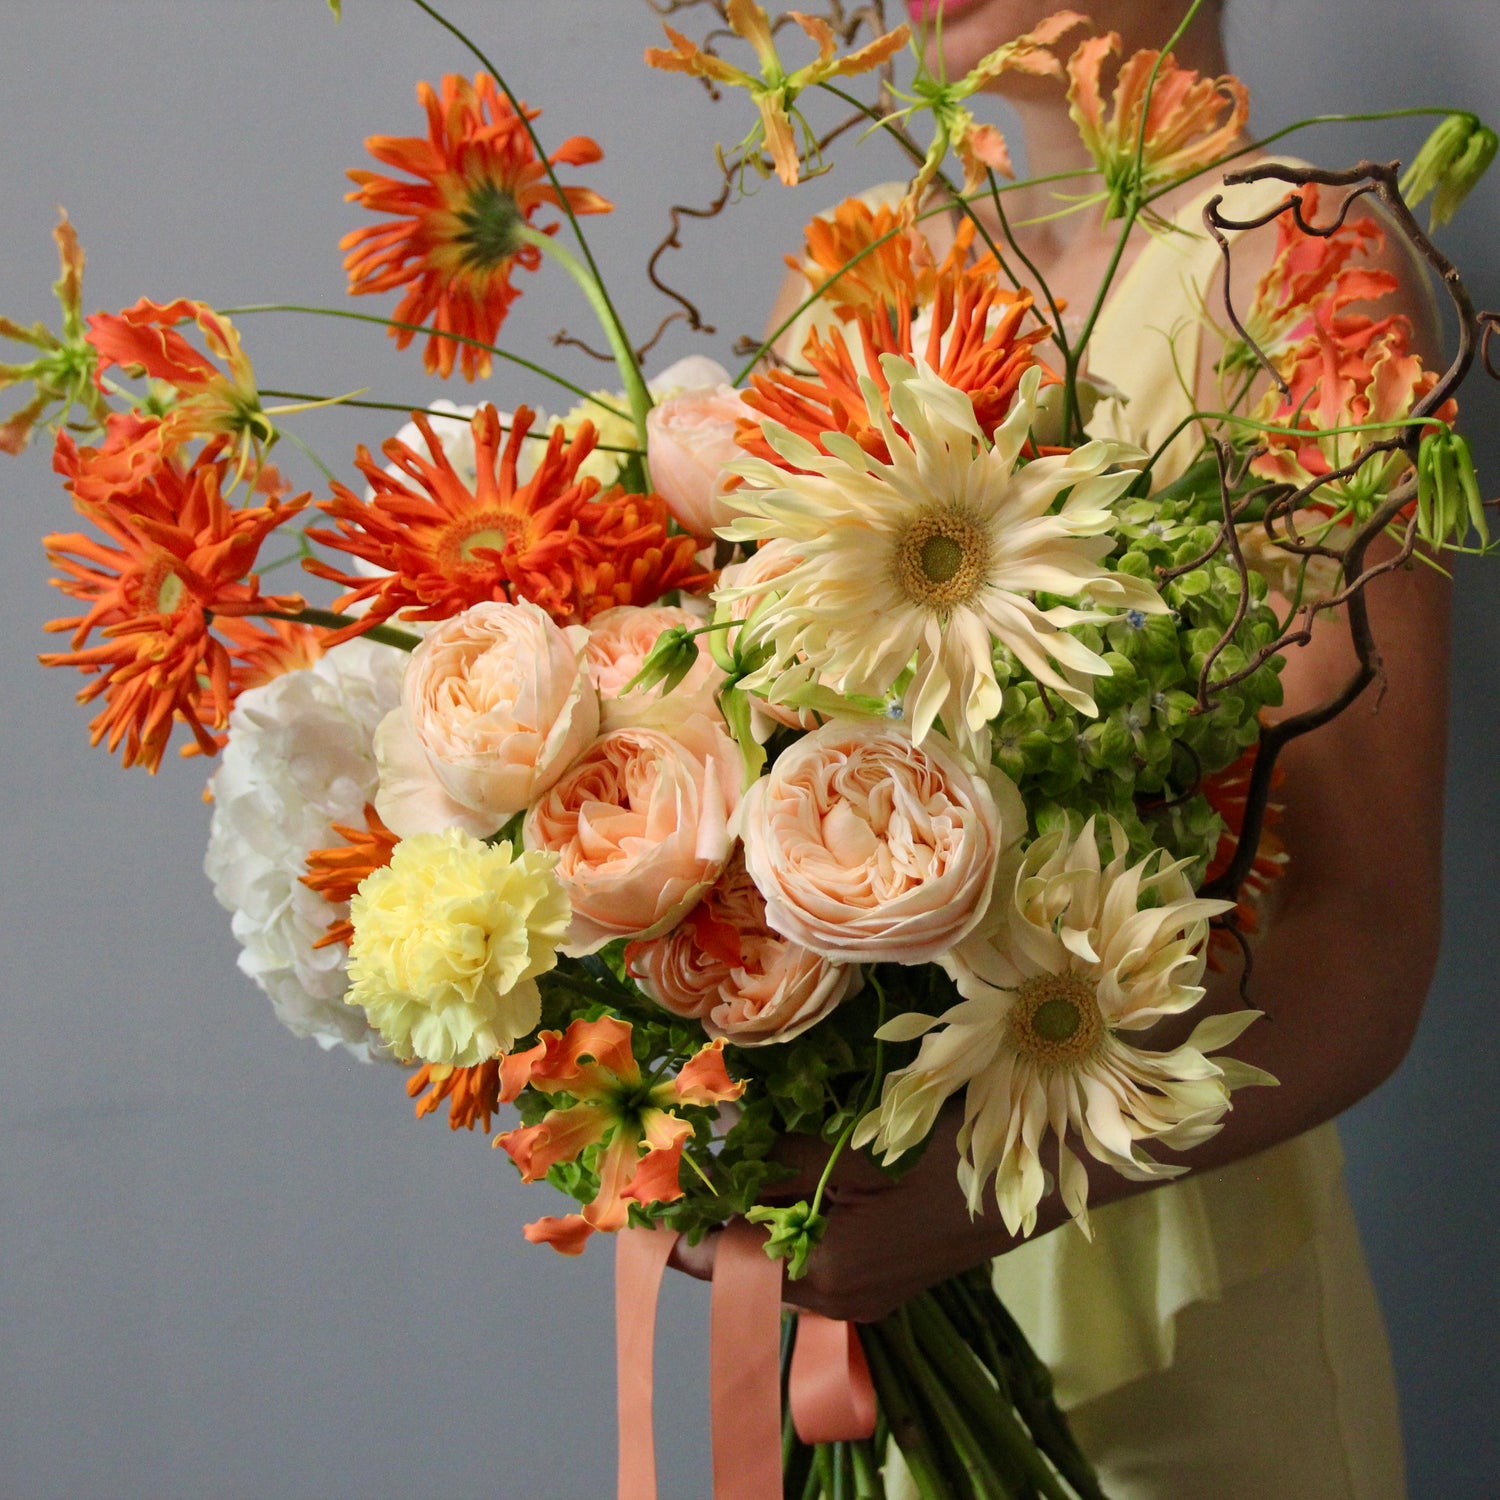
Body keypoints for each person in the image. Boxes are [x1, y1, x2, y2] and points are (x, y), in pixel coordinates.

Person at [674, 2, 1448, 1495]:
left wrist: (954, 1212)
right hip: (878, 1312)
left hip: (1175, 1323)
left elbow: (1365, 940)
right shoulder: (867, 279)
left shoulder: (1294, 264)